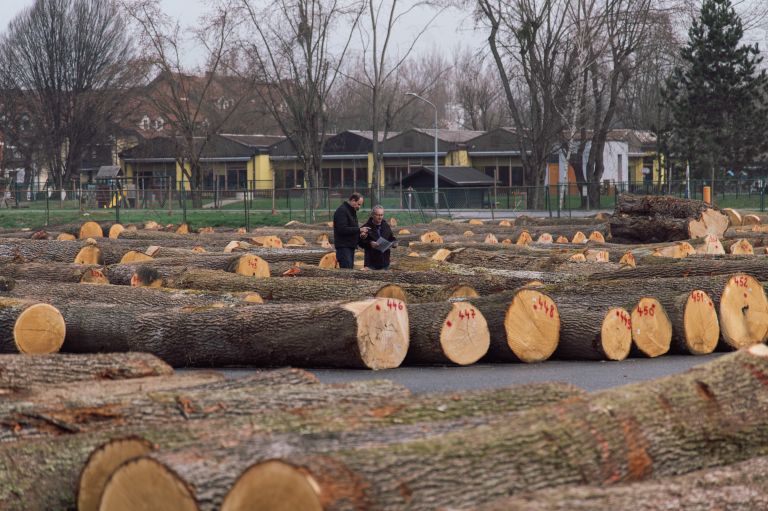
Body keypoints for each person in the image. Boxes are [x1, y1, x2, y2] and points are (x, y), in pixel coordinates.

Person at [333, 192, 368, 269]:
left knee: (349, 270)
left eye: (360, 205)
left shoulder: (351, 211)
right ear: (353, 200)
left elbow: (352, 229)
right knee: (347, 272)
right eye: (358, 204)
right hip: (343, 247)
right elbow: (342, 229)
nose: (359, 207)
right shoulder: (342, 211)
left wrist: (360, 234)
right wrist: (359, 229)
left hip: (349, 246)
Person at [359, 205, 397, 270]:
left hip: (385, 261)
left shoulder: (386, 225)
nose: (380, 217)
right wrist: (370, 243)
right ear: (373, 215)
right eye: (378, 215)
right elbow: (359, 242)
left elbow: (391, 237)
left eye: (381, 215)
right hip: (371, 262)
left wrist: (394, 243)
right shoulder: (366, 227)